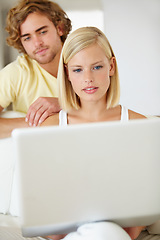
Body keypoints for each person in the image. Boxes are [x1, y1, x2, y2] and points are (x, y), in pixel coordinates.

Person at [42, 27, 160, 240]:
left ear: (111, 66)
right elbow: (47, 215)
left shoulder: (138, 124)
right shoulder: (49, 128)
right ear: (67, 72)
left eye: (96, 67)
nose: (88, 78)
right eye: (78, 70)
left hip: (118, 232)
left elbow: (146, 199)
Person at [0, 0, 72, 132]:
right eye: (27, 38)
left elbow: (106, 113)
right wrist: (43, 124)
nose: (37, 43)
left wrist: (64, 105)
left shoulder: (84, 65)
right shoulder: (16, 72)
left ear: (59, 28)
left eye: (42, 32)